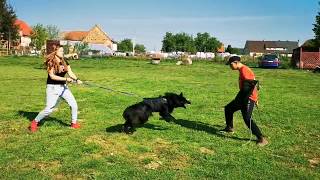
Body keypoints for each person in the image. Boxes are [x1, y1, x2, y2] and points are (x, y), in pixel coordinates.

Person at [29, 45, 83, 132]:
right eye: (61, 51)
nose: (63, 52)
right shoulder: (51, 62)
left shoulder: (64, 61)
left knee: (74, 105)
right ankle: (34, 122)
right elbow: (52, 76)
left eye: (63, 51)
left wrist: (76, 79)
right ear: (55, 52)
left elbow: (70, 72)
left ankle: (74, 123)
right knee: (49, 109)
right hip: (52, 88)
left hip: (63, 87)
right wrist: (66, 79)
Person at [223, 56, 268, 146]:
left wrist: (253, 99)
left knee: (247, 119)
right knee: (228, 108)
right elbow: (254, 84)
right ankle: (229, 127)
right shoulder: (242, 70)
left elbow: (249, 88)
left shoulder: (245, 71)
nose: (230, 67)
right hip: (243, 97)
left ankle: (262, 139)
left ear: (235, 63)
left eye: (230, 65)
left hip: (247, 98)